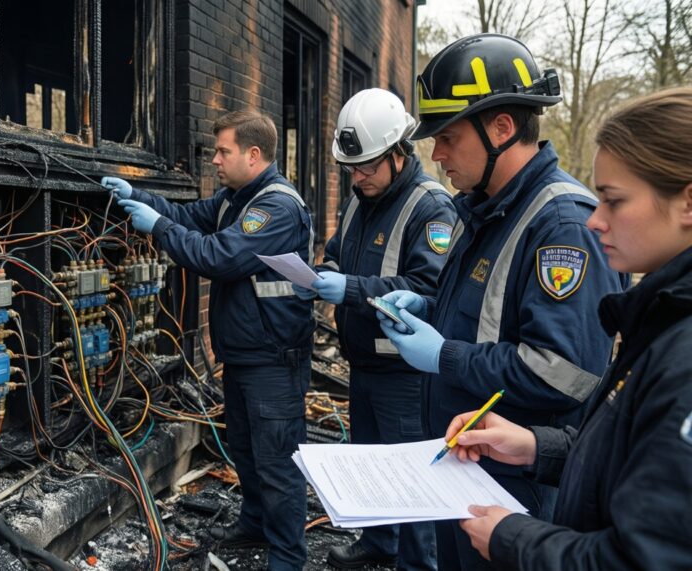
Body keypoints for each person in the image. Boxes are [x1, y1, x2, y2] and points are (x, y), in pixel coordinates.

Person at [374, 34, 627, 570]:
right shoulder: (487, 208)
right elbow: (487, 315)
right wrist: (427, 306)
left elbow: (565, 373)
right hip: (470, 471)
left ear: (501, 128)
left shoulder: (562, 226)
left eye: (447, 137)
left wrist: (445, 356)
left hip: (517, 492)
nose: (436, 155)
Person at [444, 86, 692, 570]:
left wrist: (513, 538)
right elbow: (629, 447)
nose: (596, 221)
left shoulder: (684, 353)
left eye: (613, 200)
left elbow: (647, 557)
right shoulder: (665, 318)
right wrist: (538, 448)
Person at [101, 109, 314, 571]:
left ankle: (287, 558)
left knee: (277, 463)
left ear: (253, 155)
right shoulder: (233, 199)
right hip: (245, 356)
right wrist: (136, 194)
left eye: (223, 151)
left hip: (274, 359)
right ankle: (256, 523)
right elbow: (184, 215)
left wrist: (157, 228)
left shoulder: (275, 206)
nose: (215, 159)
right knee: (245, 449)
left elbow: (219, 256)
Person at [292, 88, 456, 571]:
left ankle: (416, 562)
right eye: (352, 167)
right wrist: (325, 275)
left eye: (366, 167)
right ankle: (379, 543)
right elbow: (338, 250)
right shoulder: (362, 198)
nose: (356, 177)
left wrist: (351, 289)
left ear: (399, 155)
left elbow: (429, 287)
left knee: (410, 476)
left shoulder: (432, 209)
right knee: (371, 462)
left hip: (405, 374)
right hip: (363, 363)